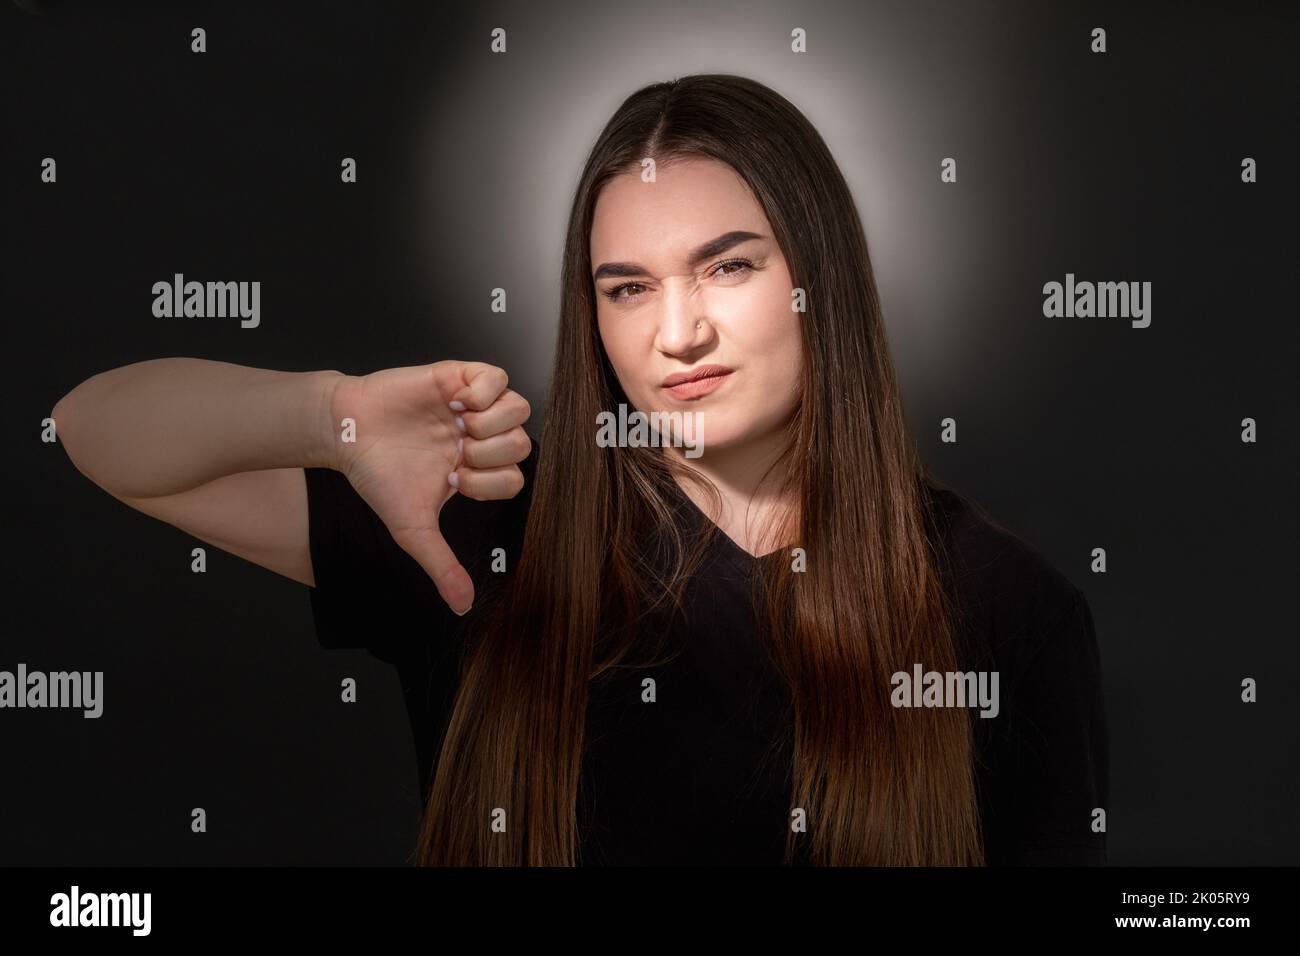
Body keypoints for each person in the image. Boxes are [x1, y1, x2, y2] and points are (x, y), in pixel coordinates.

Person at [53, 73, 1107, 866]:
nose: (678, 332)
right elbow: (93, 427)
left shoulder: (1005, 607)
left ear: (817, 278)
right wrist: (329, 413)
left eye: (728, 266)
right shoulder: (483, 530)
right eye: (627, 288)